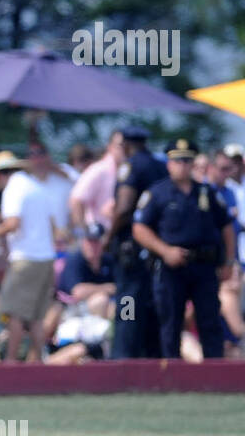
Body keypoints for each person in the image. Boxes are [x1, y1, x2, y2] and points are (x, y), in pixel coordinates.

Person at [132, 139, 236, 359]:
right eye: (177, 160)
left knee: (209, 320)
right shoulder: (157, 193)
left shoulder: (207, 193)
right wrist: (165, 251)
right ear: (169, 163)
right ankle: (172, 375)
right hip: (171, 267)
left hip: (205, 266)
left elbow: (227, 228)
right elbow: (139, 229)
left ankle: (214, 373)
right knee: (171, 322)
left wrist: (228, 262)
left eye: (187, 160)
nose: (182, 165)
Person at [0, 151, 61, 362]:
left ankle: (11, 361)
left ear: (1, 174)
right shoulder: (37, 187)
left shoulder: (13, 189)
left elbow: (13, 224)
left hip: (26, 259)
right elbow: (53, 225)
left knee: (15, 314)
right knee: (37, 317)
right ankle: (36, 361)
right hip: (46, 257)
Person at [109, 125, 168, 358]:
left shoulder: (132, 166)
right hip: (154, 248)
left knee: (127, 302)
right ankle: (151, 356)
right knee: (150, 303)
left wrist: (108, 236)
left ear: (125, 144)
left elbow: (123, 208)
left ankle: (124, 355)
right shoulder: (160, 166)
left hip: (131, 249)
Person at [69, 131, 124, 233]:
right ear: (110, 147)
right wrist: (86, 233)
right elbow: (76, 200)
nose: (124, 149)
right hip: (99, 236)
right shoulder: (99, 170)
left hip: (116, 236)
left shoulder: (125, 170)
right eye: (120, 145)